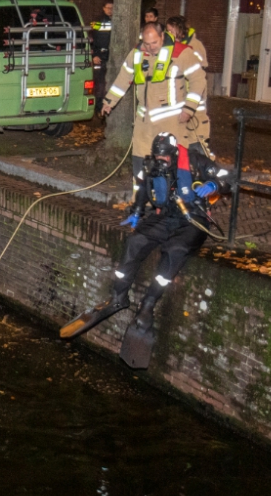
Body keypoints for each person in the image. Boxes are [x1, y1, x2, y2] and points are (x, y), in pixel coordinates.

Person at [60, 133, 231, 368]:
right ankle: (119, 296)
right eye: (157, 155)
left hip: (194, 219)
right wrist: (137, 212)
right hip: (166, 217)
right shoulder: (151, 166)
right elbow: (142, 188)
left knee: (175, 249)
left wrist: (213, 184)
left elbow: (227, 177)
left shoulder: (194, 160)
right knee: (135, 242)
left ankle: (149, 304)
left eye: (164, 156)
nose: (161, 160)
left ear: (173, 154)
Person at [99, 22, 205, 194]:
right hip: (144, 122)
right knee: (140, 162)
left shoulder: (182, 53)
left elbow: (198, 80)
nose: (150, 47)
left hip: (171, 122)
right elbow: (123, 78)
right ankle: (140, 201)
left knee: (171, 163)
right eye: (146, 43)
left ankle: (173, 203)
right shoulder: (137, 54)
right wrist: (109, 101)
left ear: (162, 36)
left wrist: (189, 109)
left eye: (154, 43)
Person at [165, 15, 213, 159]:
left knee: (196, 142)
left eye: (170, 30)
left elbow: (198, 73)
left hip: (194, 105)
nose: (168, 33)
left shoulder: (195, 46)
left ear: (179, 29)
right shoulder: (171, 46)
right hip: (180, 101)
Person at [90, 0, 113, 99]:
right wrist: (94, 55)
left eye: (112, 8)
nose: (110, 10)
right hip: (99, 56)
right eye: (108, 8)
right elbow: (90, 39)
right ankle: (99, 108)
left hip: (111, 56)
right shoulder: (97, 21)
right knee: (99, 85)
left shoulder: (118, 21)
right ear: (103, 8)